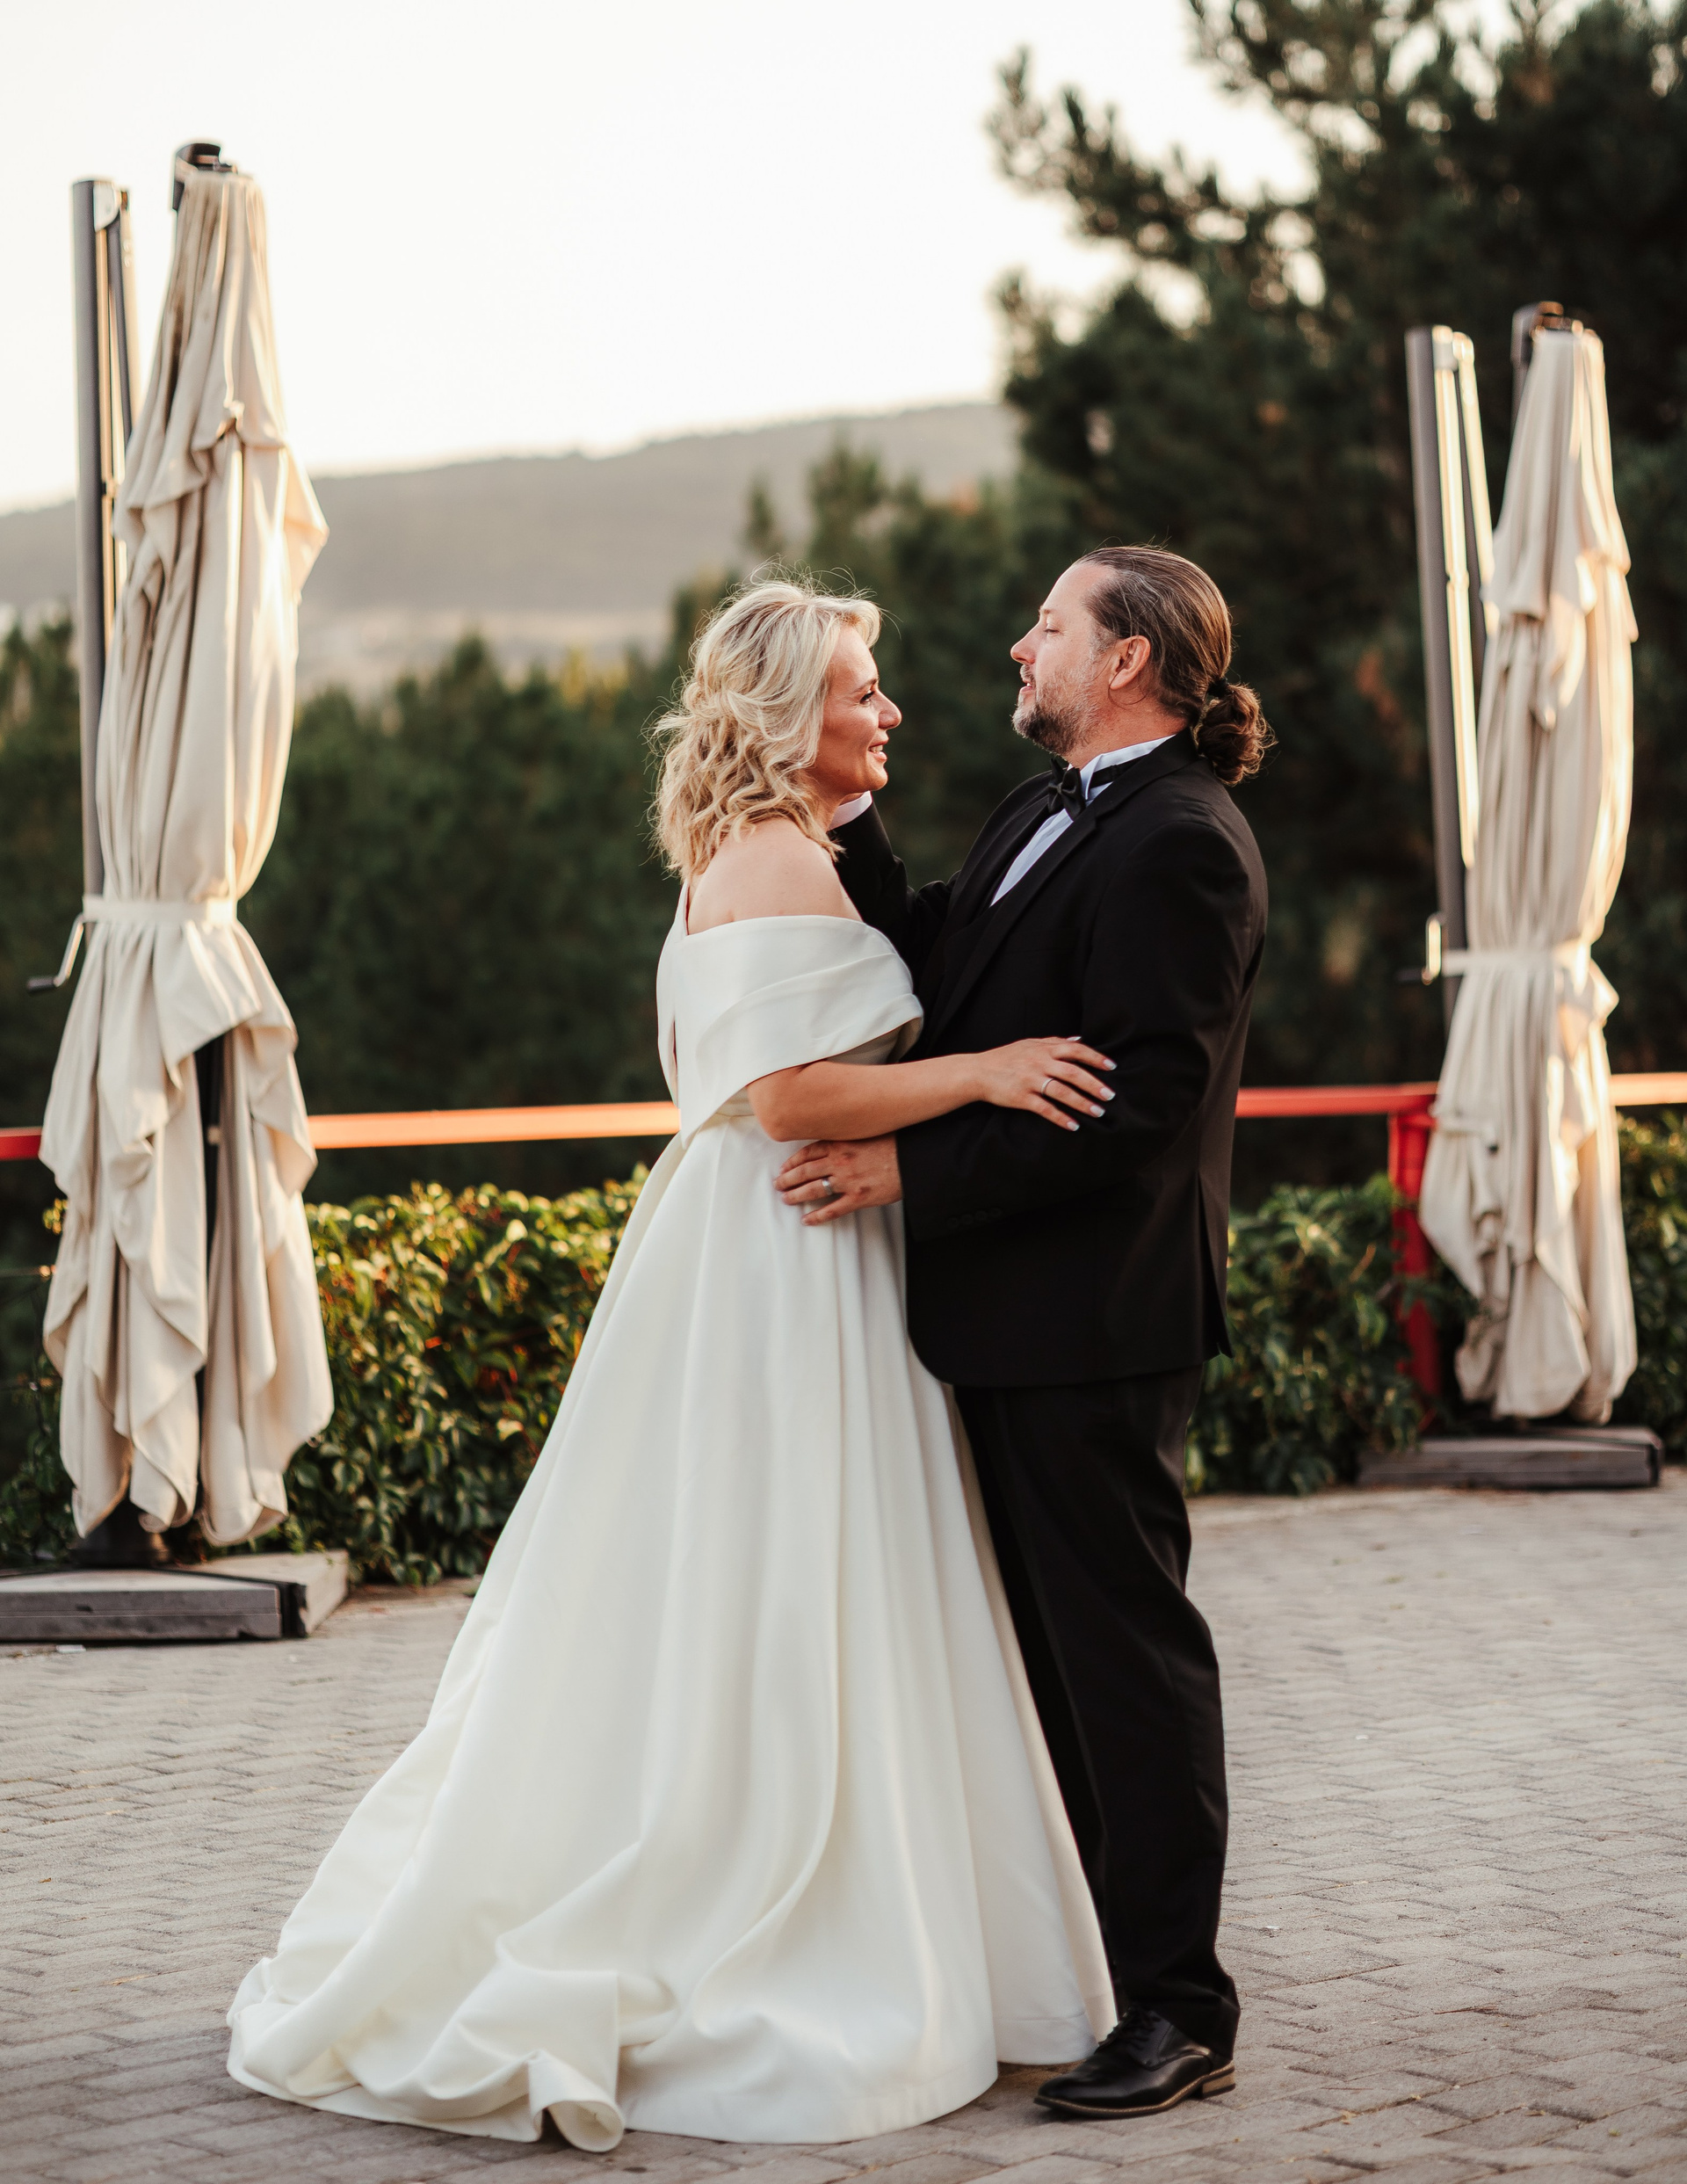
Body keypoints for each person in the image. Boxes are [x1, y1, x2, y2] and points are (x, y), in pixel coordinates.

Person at [226, 580, 1118, 2152]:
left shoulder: (768, 847)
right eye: (862, 686)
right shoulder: (773, 856)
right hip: (784, 1249)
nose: (889, 709)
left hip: (784, 1240)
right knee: (789, 1574)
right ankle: (767, 1892)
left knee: (779, 1573)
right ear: (789, 711)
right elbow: (787, 1098)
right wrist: (984, 1068)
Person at [777, 545, 1270, 2121]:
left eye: (1050, 625)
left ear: (1123, 661)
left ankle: (1181, 2008)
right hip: (1003, 1316)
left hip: (1096, 1321)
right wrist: (845, 809)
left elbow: (1135, 1108)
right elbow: (938, 955)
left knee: (1123, 1662)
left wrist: (905, 1168)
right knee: (1046, 1668)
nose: (1020, 644)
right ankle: (1099, 1979)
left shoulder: (1183, 843)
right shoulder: (1045, 809)